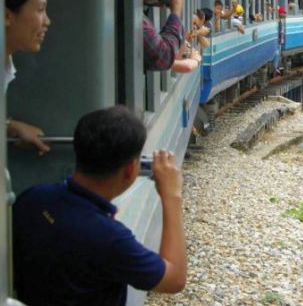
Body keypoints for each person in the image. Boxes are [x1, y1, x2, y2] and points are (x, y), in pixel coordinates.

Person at [13, 106, 187, 305]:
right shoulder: (110, 239)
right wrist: (171, 196)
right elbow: (174, 279)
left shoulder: (33, 197)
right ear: (131, 170)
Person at [5, 0, 52, 155]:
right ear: (6, 16)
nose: (47, 21)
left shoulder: (3, 66)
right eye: (41, 10)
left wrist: (8, 126)